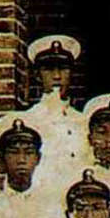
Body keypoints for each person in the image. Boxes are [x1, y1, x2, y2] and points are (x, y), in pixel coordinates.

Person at [20, 33, 86, 171]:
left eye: (63, 69)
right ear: (38, 76)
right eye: (49, 70)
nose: (57, 76)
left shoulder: (83, 121)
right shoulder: (28, 120)